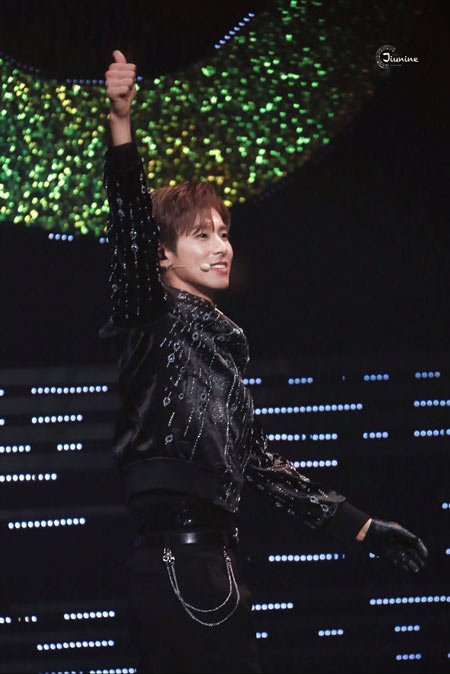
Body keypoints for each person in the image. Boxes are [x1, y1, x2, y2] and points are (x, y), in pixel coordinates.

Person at [98, 50, 429, 674]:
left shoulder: (220, 352)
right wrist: (121, 121)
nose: (221, 246)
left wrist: (361, 528)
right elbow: (130, 227)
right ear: (162, 255)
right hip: (181, 562)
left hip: (206, 562)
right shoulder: (152, 315)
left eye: (224, 233)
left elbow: (259, 462)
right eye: (201, 235)